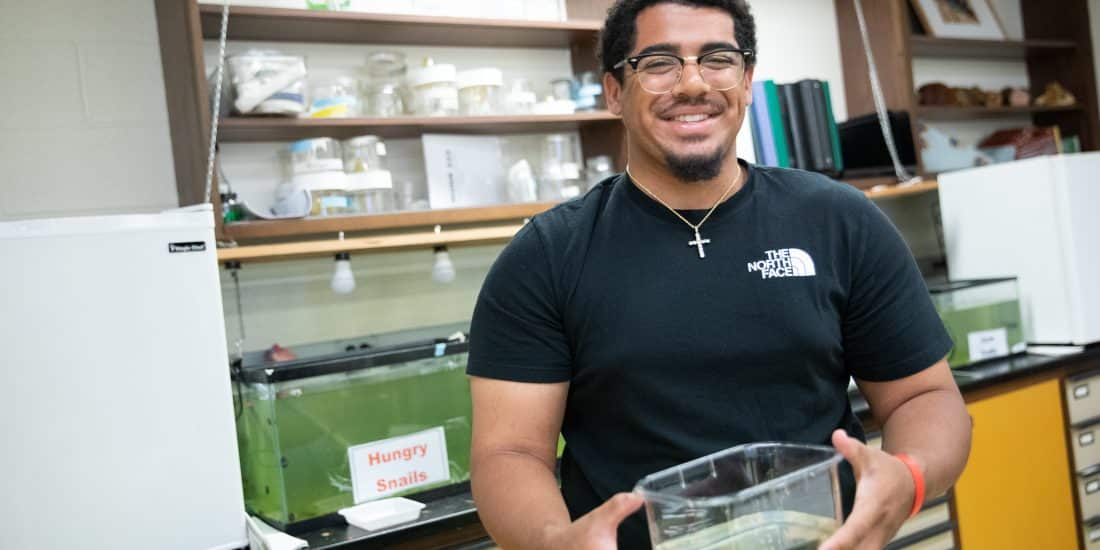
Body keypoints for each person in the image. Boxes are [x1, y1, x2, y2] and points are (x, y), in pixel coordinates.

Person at [465, 1, 972, 548]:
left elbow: (924, 396)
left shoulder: (839, 221)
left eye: (718, 59)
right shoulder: (544, 257)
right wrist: (551, 541)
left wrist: (910, 476)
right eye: (659, 63)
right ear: (614, 91)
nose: (692, 84)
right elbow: (510, 452)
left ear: (747, 80)